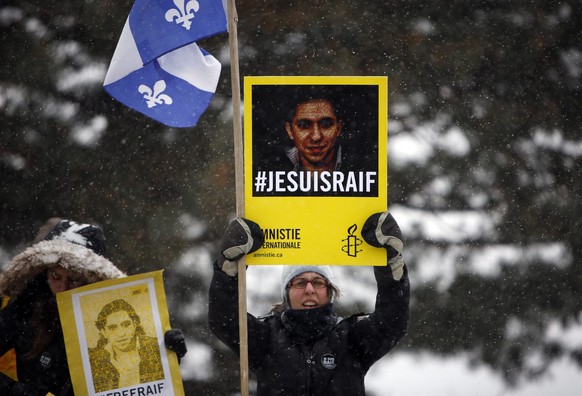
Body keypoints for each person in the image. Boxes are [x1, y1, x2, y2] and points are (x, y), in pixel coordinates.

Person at [208, 212, 410, 395]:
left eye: (319, 282)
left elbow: (392, 321)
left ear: (330, 291)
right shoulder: (265, 338)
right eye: (300, 282)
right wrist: (228, 268)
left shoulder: (351, 338)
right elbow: (224, 320)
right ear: (286, 293)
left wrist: (390, 263)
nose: (310, 289)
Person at [0, 219, 187, 396]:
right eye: (56, 277)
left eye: (74, 279)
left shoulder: (116, 315)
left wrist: (165, 359)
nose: (63, 288)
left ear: (93, 278)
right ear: (44, 272)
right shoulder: (26, 306)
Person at [88, 299, 164, 393]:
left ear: (135, 324)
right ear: (104, 332)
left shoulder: (157, 347)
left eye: (126, 325)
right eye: (112, 328)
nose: (121, 333)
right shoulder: (94, 361)